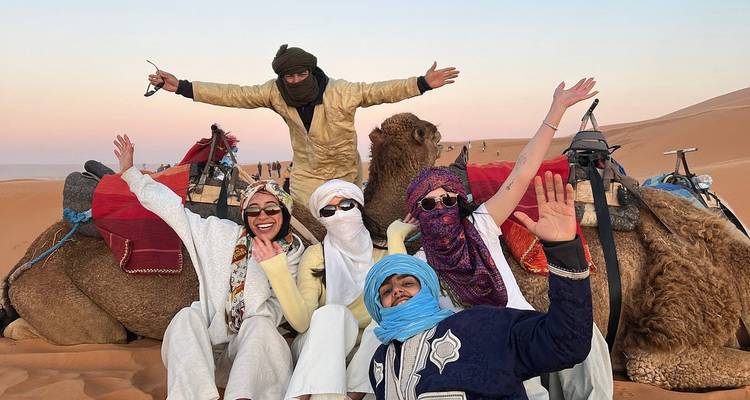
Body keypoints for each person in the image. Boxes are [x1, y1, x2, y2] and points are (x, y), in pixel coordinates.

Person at [388, 78, 613, 399]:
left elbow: (522, 171)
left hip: (522, 330)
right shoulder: (421, 266)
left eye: (448, 199)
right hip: (477, 354)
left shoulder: (480, 225)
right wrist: (394, 234)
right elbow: (395, 295)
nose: (441, 208)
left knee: (586, 337)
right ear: (417, 211)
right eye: (428, 203)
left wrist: (557, 109)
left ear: (459, 201)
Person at [364, 173, 593, 399]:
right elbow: (400, 268)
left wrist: (563, 249)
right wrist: (394, 236)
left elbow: (565, 343)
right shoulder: (380, 365)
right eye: (386, 291)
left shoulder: (482, 326)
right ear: (379, 306)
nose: (397, 290)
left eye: (407, 284)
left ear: (427, 289)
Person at [113, 134, 306, 400]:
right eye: (253, 211)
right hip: (202, 357)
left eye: (271, 209)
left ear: (284, 212)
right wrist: (131, 174)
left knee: (261, 326)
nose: (262, 217)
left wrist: (275, 266)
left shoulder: (293, 254)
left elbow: (285, 310)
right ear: (245, 216)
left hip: (250, 358)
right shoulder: (219, 234)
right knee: (186, 318)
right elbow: (173, 210)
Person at [147, 44, 459, 206]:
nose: (294, 81)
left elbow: (379, 91)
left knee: (355, 233)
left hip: (345, 174)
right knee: (301, 238)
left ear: (311, 71)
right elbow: (234, 95)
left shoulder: (342, 92)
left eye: (300, 75)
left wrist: (421, 83)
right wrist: (184, 87)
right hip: (306, 177)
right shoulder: (274, 93)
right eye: (289, 76)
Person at [257, 179, 386, 399]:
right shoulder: (317, 255)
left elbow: (404, 298)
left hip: (364, 353)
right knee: (333, 313)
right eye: (329, 210)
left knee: (382, 325)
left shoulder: (384, 252)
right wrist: (277, 272)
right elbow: (301, 322)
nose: (340, 215)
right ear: (323, 220)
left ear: (358, 209)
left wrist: (397, 237)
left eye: (346, 205)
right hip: (317, 344)